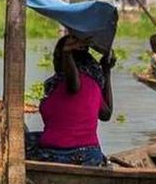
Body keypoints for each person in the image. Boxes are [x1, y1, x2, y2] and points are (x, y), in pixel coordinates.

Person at [30, 34, 115, 166]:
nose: (54, 60)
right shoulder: (94, 83)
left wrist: (67, 53)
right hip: (91, 155)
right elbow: (106, 114)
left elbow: (74, 86)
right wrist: (106, 71)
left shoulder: (71, 82)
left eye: (57, 56)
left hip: (59, 155)